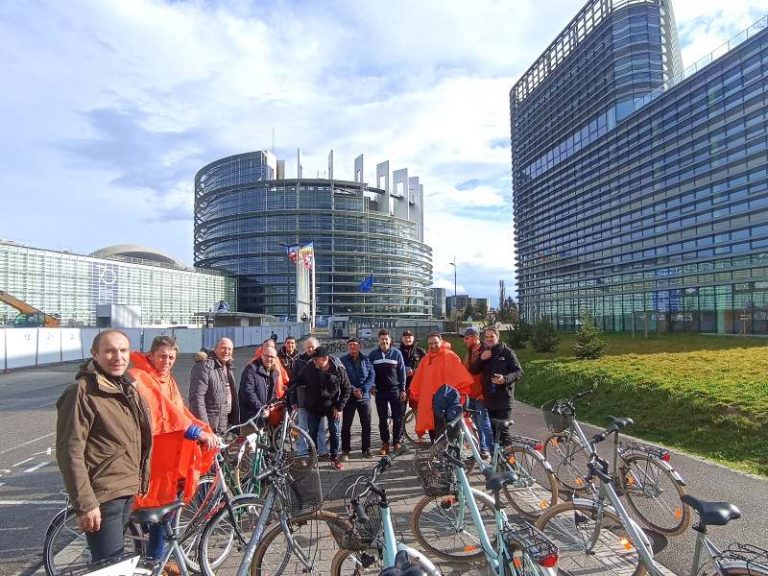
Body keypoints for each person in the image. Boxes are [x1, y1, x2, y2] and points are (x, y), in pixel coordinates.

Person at [56, 330, 153, 564]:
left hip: (125, 489)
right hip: (104, 494)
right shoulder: (82, 392)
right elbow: (70, 451)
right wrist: (86, 504)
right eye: (109, 350)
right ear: (95, 354)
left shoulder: (125, 386)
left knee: (113, 564)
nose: (117, 356)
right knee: (109, 566)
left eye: (123, 350)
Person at [129, 336, 218, 567]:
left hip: (166, 457)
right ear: (151, 355)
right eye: (162, 356)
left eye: (171, 357)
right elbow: (164, 415)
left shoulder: (166, 379)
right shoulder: (141, 377)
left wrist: (202, 428)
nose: (167, 361)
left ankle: (157, 559)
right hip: (153, 457)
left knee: (162, 510)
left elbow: (179, 411)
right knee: (159, 509)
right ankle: (154, 562)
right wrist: (197, 434)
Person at [290, 346, 351, 469]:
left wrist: (339, 407)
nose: (314, 361)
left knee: (335, 432)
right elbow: (297, 381)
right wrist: (293, 397)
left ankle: (334, 458)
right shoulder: (310, 367)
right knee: (313, 432)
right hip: (313, 406)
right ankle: (313, 456)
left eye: (316, 359)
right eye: (313, 359)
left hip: (332, 406)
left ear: (325, 359)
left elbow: (347, 388)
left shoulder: (338, 369)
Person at [409, 332, 473, 440]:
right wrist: (414, 392)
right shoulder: (426, 360)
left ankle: (446, 453)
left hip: (446, 402)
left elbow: (460, 378)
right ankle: (435, 450)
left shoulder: (450, 356)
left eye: (435, 343)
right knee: (432, 427)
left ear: (441, 342)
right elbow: (418, 379)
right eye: (430, 344)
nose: (433, 346)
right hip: (430, 401)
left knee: (446, 430)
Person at [469, 326, 523, 445]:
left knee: (503, 433)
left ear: (497, 337)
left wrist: (505, 379)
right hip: (489, 400)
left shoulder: (507, 352)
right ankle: (497, 461)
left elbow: (518, 372)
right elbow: (473, 370)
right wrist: (481, 359)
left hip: (504, 400)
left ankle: (509, 461)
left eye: (491, 337)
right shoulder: (484, 353)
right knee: (493, 433)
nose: (488, 339)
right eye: (486, 337)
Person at [189, 337, 239, 434]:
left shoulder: (228, 367)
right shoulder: (204, 367)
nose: (226, 351)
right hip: (210, 427)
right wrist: (205, 428)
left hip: (224, 425)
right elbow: (196, 400)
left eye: (229, 349)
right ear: (215, 349)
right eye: (223, 348)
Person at [368, 329, 407, 454]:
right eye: (382, 339)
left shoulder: (397, 353)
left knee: (397, 418)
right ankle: (385, 443)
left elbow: (402, 373)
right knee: (382, 419)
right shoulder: (373, 355)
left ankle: (396, 442)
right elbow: (368, 372)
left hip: (395, 391)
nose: (384, 341)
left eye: (386, 339)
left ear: (390, 340)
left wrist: (403, 389)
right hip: (380, 392)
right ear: (378, 340)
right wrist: (371, 387)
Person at [339, 338, 375, 460]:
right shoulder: (343, 360)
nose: (352, 347)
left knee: (366, 424)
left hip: (364, 397)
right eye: (350, 345)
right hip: (349, 397)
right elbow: (343, 377)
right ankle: (345, 451)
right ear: (347, 347)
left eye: (355, 345)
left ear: (360, 346)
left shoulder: (366, 359)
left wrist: (363, 390)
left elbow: (371, 376)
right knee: (346, 425)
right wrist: (354, 389)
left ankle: (366, 449)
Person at [462, 328, 493, 460]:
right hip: (472, 395)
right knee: (477, 425)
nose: (465, 341)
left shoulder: (485, 351)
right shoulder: (470, 351)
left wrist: (486, 393)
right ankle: (483, 451)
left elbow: (492, 372)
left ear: (475, 337)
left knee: (484, 425)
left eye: (467, 338)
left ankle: (496, 455)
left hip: (481, 395)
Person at [294, 337, 328, 457]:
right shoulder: (299, 361)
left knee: (320, 428)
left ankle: (322, 451)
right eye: (308, 347)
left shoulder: (323, 360)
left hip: (319, 401)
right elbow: (295, 381)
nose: (310, 349)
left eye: (312, 346)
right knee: (303, 428)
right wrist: (294, 400)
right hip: (303, 400)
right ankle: (302, 452)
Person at [239, 346, 281, 424]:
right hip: (251, 415)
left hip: (265, 416)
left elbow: (273, 393)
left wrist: (272, 404)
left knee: (263, 435)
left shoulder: (274, 373)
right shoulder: (251, 369)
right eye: (267, 356)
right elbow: (248, 391)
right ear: (262, 356)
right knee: (251, 436)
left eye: (272, 357)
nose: (269, 359)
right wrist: (261, 409)